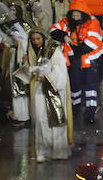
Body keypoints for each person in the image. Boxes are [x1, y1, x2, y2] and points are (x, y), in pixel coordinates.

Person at [50, 2, 103, 124]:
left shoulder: (93, 23)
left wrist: (75, 50)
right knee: (75, 86)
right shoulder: (67, 22)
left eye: (77, 16)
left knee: (91, 87)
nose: (75, 18)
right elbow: (53, 30)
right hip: (76, 61)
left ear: (83, 14)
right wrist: (64, 36)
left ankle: (90, 113)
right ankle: (75, 109)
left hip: (91, 61)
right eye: (73, 15)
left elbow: (92, 43)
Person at [28, 29, 72, 161]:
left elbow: (61, 72)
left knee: (56, 121)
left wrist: (47, 78)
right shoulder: (38, 52)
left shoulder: (54, 51)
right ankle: (43, 151)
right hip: (40, 89)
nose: (36, 42)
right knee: (41, 120)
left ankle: (58, 151)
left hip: (54, 90)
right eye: (33, 40)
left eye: (38, 39)